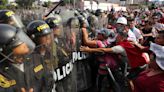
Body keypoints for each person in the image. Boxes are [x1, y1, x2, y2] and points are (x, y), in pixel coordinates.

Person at [0, 24, 54, 92]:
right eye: (18, 43)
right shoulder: (2, 74)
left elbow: (49, 80)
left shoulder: (36, 58)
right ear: (6, 51)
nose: (27, 48)